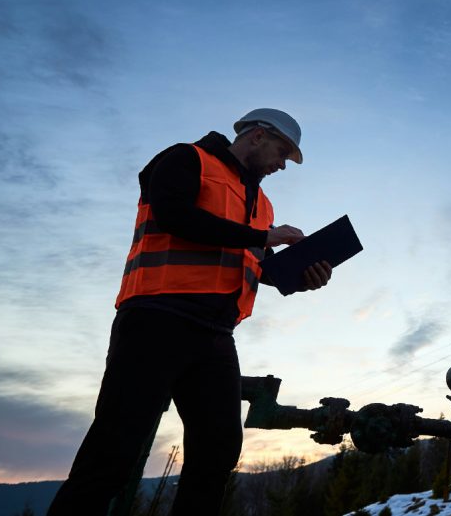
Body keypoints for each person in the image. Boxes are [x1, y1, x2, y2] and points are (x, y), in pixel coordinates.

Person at [47, 108, 332, 516]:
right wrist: (264, 236)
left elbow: (255, 264)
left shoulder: (262, 204)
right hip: (155, 318)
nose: (282, 164)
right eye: (282, 152)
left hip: (216, 334)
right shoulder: (186, 159)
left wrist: (302, 278)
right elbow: (174, 215)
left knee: (217, 453)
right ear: (257, 136)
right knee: (114, 450)